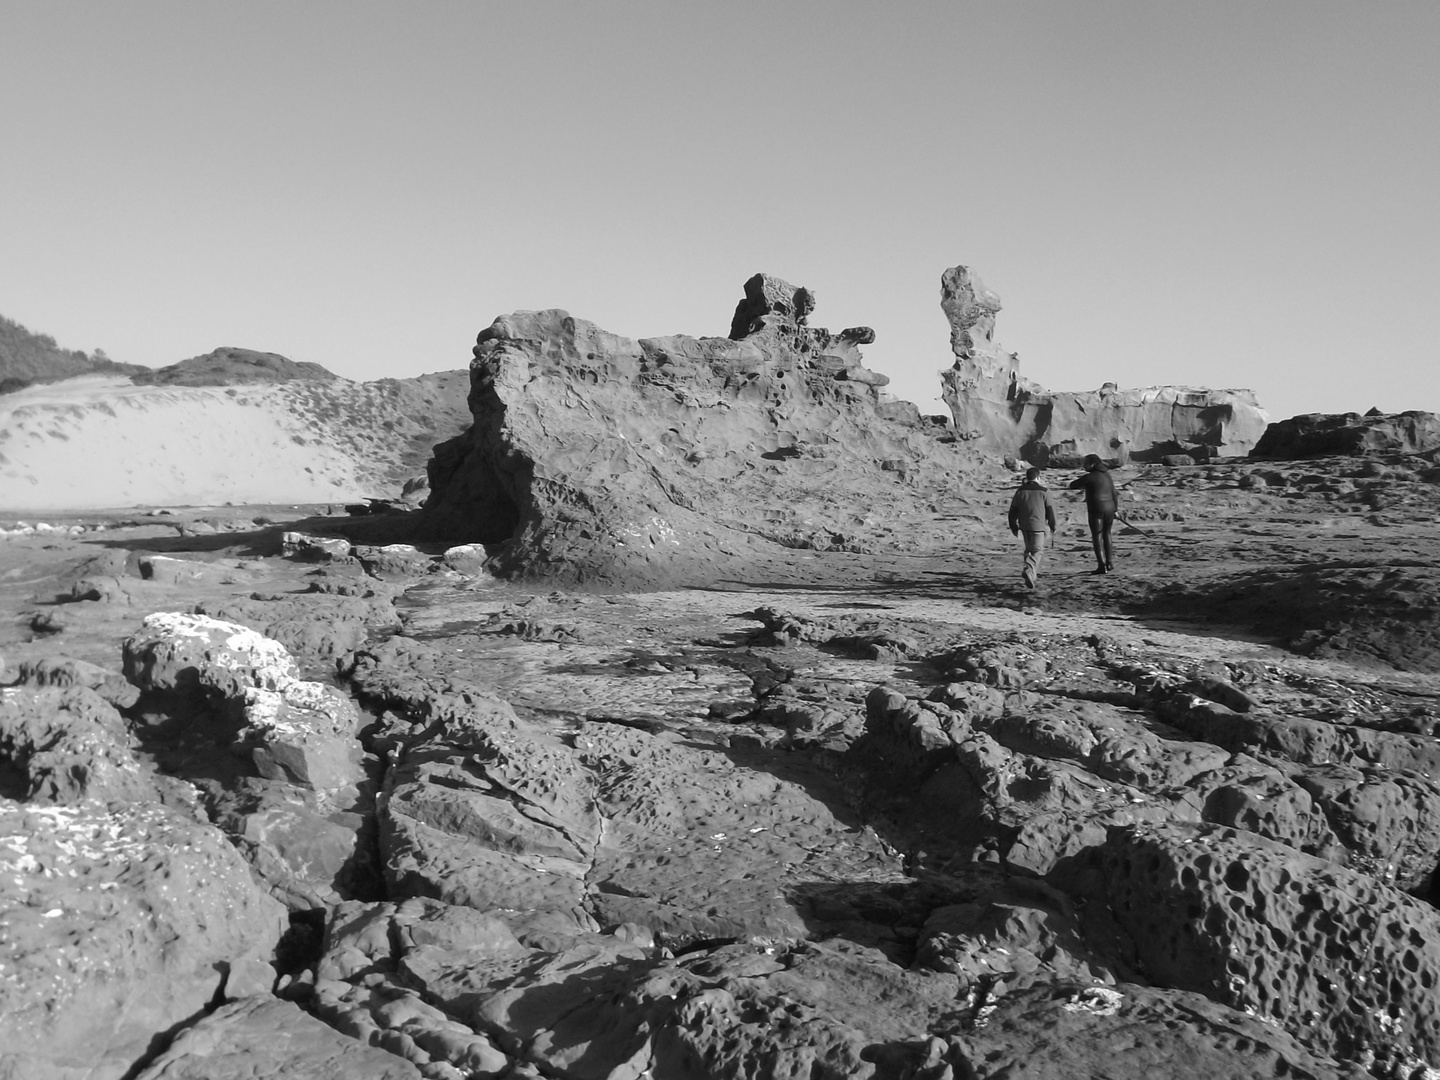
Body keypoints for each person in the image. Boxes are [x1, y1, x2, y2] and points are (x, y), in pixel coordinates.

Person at [1007, 467, 1056, 589]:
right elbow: (1050, 511)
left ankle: (1031, 576)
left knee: (1029, 549)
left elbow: (1012, 511)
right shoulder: (1044, 491)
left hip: (1024, 526)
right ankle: (1029, 570)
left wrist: (1013, 526)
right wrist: (1053, 526)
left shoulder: (1019, 491)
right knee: (1037, 550)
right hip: (1038, 526)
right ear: (1038, 477)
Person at [1069, 454, 1119, 573]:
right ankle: (1109, 563)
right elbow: (1114, 493)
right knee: (1107, 534)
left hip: (1096, 509)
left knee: (1097, 536)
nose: (1083, 466)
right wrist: (1116, 510)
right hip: (1110, 508)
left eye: (1085, 463)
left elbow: (1073, 485)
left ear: (1092, 464)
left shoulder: (1089, 477)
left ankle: (1101, 566)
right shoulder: (1107, 476)